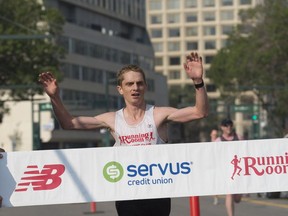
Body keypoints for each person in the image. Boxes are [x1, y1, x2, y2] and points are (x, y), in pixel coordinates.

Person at [38, 52, 208, 216]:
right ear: (120, 89)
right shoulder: (112, 119)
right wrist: (54, 97)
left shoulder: (158, 114)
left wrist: (198, 81)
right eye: (129, 84)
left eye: (139, 83)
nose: (135, 88)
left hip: (157, 193)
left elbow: (199, 112)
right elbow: (69, 123)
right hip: (128, 194)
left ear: (145, 87)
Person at [214, 118, 243, 216]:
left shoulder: (239, 137)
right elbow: (214, 156)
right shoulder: (218, 141)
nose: (228, 127)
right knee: (229, 193)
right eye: (226, 125)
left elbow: (246, 151)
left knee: (238, 199)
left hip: (239, 169)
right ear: (222, 127)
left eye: (230, 125)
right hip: (226, 171)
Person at [210, 129, 219, 205]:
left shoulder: (219, 142)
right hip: (211, 165)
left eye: (215, 135)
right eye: (213, 134)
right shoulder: (209, 144)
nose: (214, 136)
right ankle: (215, 197)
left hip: (218, 165)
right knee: (213, 183)